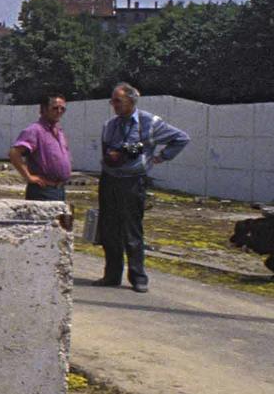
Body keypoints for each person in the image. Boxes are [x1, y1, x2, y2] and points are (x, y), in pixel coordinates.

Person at [96, 83, 190, 292]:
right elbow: (108, 150)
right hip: (110, 179)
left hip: (132, 181)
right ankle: (111, 275)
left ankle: (138, 277)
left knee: (132, 231)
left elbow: (181, 138)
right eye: (112, 101)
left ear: (131, 101)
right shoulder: (109, 125)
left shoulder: (149, 122)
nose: (114, 106)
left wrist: (162, 157)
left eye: (118, 101)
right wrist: (116, 155)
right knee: (109, 230)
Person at [10, 93, 73, 204]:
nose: (59, 111)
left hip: (59, 190)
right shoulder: (35, 130)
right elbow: (14, 153)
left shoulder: (59, 132)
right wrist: (28, 177)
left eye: (62, 109)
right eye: (55, 108)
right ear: (43, 109)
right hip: (42, 191)